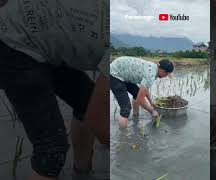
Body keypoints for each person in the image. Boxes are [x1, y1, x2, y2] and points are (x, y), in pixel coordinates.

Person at [0, 1, 108, 180]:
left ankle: (81, 173)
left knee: (87, 101)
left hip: (44, 39)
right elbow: (99, 123)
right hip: (12, 43)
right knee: (51, 150)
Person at [110, 56, 174, 128]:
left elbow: (145, 89)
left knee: (137, 93)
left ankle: (135, 117)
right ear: (162, 71)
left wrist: (151, 102)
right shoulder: (150, 75)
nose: (165, 76)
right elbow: (139, 99)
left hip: (123, 71)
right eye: (166, 74)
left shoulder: (153, 67)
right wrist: (152, 111)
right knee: (126, 109)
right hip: (115, 74)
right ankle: (123, 136)